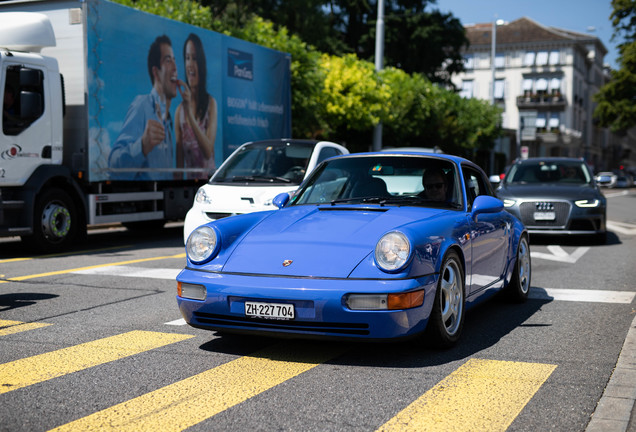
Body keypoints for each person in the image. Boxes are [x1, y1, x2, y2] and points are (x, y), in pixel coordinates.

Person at [109, 35, 184, 180]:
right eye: (168, 61)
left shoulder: (168, 121)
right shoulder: (142, 105)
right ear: (156, 72)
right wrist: (142, 145)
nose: (175, 68)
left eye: (175, 61)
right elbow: (114, 165)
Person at [175, 33, 218, 180]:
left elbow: (207, 150)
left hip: (209, 184)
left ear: (201, 64)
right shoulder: (179, 112)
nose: (190, 64)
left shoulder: (211, 104)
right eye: (187, 58)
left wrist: (190, 113)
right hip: (189, 184)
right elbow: (179, 165)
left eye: (195, 58)